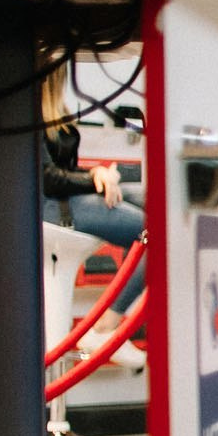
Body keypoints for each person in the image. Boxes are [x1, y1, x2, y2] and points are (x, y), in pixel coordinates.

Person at [38, 60, 148, 313]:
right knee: (155, 232)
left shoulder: (54, 114)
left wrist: (97, 173)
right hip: (54, 207)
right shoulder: (32, 117)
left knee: (160, 208)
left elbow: (61, 169)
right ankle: (111, 317)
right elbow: (48, 179)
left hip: (65, 197)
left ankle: (111, 317)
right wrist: (91, 181)